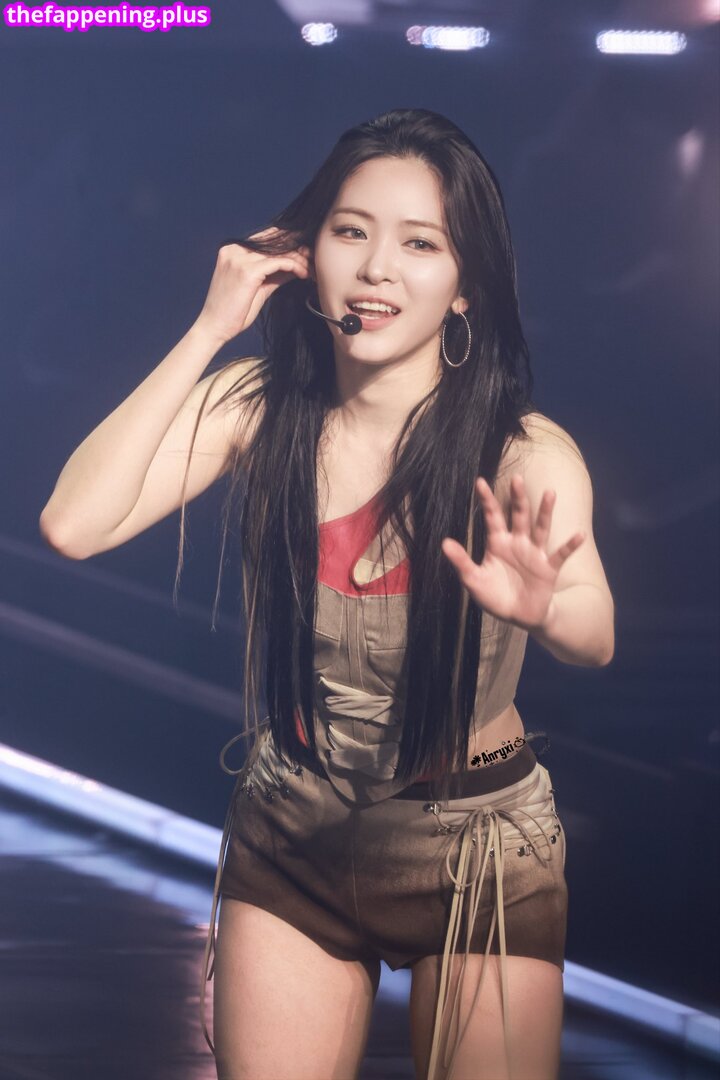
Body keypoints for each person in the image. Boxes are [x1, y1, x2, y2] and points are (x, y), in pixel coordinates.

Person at [39, 108, 615, 1080]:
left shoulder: (521, 450)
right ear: (307, 258)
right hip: (295, 826)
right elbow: (73, 524)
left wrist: (545, 604)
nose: (378, 267)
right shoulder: (260, 407)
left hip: (476, 844)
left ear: (466, 288)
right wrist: (212, 327)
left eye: (420, 244)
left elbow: (595, 634)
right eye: (352, 231)